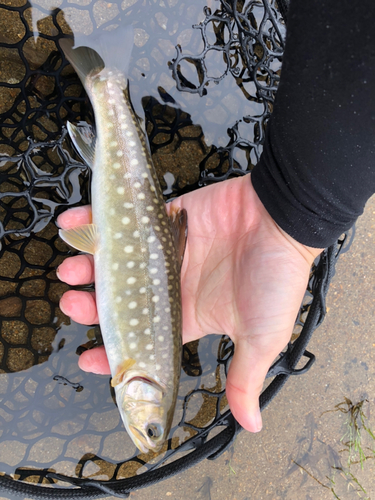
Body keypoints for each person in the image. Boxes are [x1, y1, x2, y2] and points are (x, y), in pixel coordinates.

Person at [56, 0, 375, 433]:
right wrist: (294, 211)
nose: (146, 434)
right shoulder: (134, 366)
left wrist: (297, 209)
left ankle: (106, 83)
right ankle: (106, 84)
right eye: (151, 430)